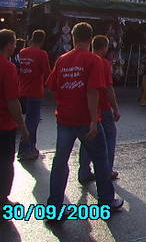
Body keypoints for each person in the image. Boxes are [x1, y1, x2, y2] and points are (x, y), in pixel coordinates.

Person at [46, 22, 123, 219]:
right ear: (90, 39)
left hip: (64, 119)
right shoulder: (94, 60)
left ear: (73, 37)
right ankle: (106, 201)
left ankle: (54, 208)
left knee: (60, 162)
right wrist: (92, 121)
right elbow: (92, 91)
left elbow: (52, 86)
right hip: (85, 119)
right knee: (101, 159)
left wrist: (65, 100)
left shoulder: (62, 60)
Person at [0, 29, 29, 217]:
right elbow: (12, 101)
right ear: (9, 44)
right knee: (5, 163)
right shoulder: (8, 67)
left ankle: (1, 200)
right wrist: (23, 127)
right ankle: (0, 203)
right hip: (2, 123)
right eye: (14, 44)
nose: (15, 47)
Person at [78, 35, 121, 183]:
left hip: (86, 107)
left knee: (87, 140)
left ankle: (84, 170)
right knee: (110, 136)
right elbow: (109, 88)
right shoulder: (104, 63)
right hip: (102, 106)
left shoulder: (85, 61)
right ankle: (107, 170)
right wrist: (115, 108)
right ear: (104, 48)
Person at [16, 29, 51, 161]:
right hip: (35, 91)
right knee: (32, 122)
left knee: (30, 120)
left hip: (23, 89)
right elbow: (47, 72)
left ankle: (30, 147)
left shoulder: (23, 52)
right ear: (42, 40)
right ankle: (26, 149)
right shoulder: (42, 54)